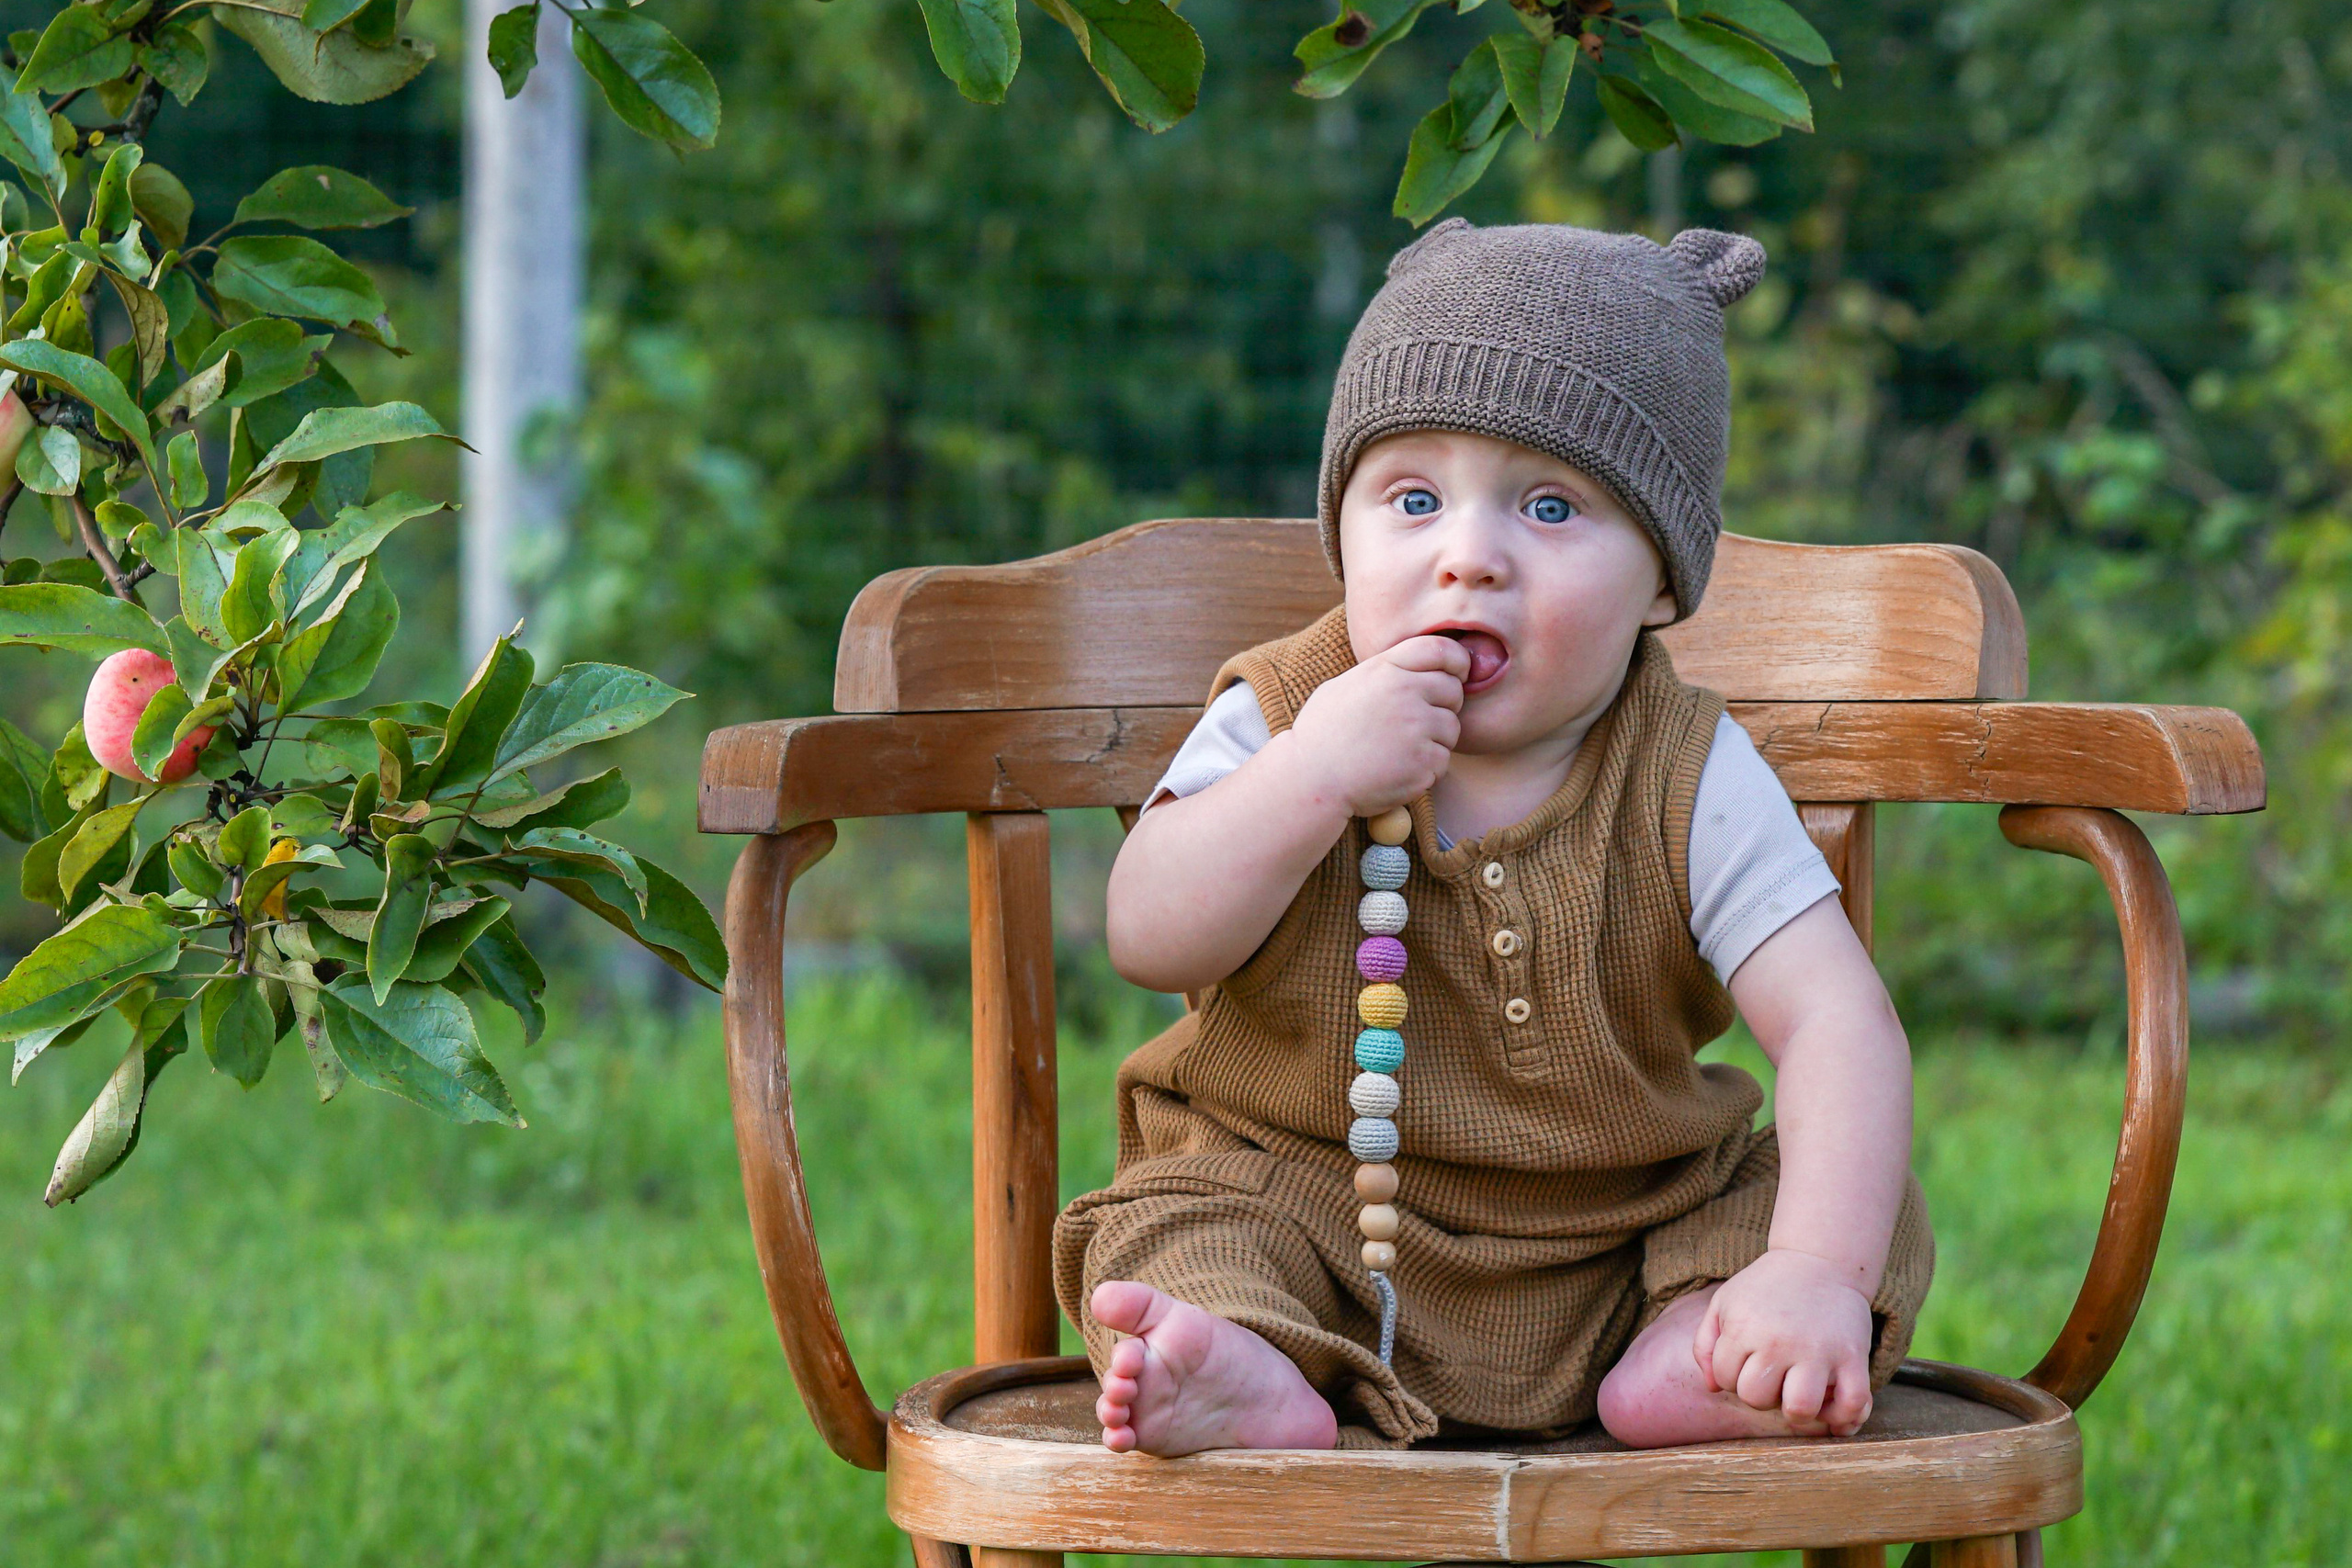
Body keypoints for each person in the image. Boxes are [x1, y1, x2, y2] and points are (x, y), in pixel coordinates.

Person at [1050, 218, 1934, 1457]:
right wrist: (1311, 779)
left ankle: (1713, 1345)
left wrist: (1817, 1268)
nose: (1470, 559)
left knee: (1852, 1199)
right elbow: (1148, 930)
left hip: (1626, 1242)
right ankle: (1247, 1364)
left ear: (1664, 583)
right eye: (1413, 498)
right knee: (1164, 1220)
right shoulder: (1285, 712)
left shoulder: (1688, 769)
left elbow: (1838, 1022)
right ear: (1342, 532)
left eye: (1552, 508)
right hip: (1309, 1216)